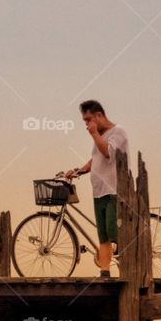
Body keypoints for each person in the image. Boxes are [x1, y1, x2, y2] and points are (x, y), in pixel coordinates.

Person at [63, 100, 128, 278]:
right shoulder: (100, 135)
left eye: (89, 120)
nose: (87, 125)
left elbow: (108, 152)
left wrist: (93, 134)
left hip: (114, 190)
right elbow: (96, 158)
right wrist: (79, 170)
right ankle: (105, 271)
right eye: (85, 121)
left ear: (99, 115)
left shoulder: (118, 132)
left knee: (115, 232)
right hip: (99, 191)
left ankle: (128, 265)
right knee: (103, 235)